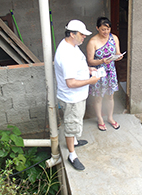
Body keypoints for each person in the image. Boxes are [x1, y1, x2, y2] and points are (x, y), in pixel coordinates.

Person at [54, 20, 100, 171]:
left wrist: (88, 69)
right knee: (71, 124)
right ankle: (72, 155)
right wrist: (91, 80)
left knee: (76, 121)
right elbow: (71, 83)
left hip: (77, 96)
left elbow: (78, 65)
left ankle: (73, 141)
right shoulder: (66, 54)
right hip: (72, 97)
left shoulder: (71, 45)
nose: (84, 37)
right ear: (72, 34)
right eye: (81, 34)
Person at [86, 17, 123, 131]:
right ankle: (100, 119)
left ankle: (110, 118)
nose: (106, 32)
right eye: (103, 29)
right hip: (98, 72)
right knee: (98, 97)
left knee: (110, 96)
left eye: (108, 29)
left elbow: (117, 52)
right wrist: (102, 61)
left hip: (111, 71)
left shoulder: (114, 38)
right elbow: (90, 61)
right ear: (97, 28)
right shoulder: (92, 42)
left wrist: (119, 56)